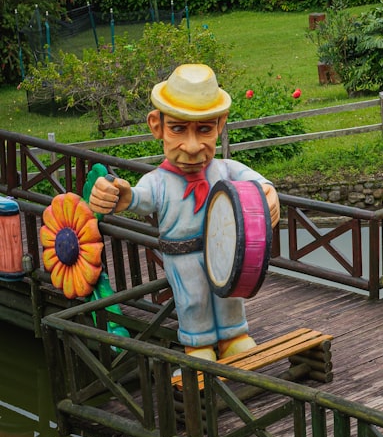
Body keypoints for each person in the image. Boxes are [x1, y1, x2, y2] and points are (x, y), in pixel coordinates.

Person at [88, 64, 280, 361]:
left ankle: (233, 336)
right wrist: (122, 195)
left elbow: (254, 180)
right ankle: (199, 344)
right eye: (178, 129)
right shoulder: (160, 180)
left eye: (204, 129)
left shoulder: (223, 169)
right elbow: (140, 198)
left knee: (229, 295)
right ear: (156, 126)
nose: (192, 147)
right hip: (183, 255)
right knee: (193, 300)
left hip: (222, 250)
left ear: (220, 124)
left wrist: (267, 191)